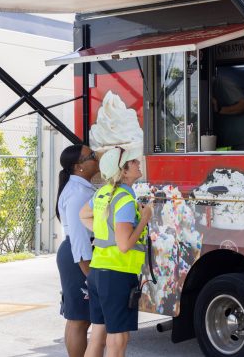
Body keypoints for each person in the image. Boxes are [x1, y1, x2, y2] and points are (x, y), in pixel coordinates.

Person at [80, 146, 152, 357]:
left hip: (98, 272)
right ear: (124, 172)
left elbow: (83, 215)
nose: (138, 163)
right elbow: (124, 245)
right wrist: (145, 218)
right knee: (118, 338)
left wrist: (106, 233)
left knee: (97, 336)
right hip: (117, 274)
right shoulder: (125, 200)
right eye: (133, 161)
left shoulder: (102, 193)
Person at [55, 144, 104, 357]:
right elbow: (79, 238)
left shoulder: (80, 188)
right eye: (90, 156)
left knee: (78, 317)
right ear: (79, 167)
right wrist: (91, 275)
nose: (96, 157)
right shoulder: (78, 193)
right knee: (80, 319)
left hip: (76, 254)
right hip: (79, 256)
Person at [212, 73, 244, 150]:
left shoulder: (222, 83)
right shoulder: (209, 87)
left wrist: (219, 109)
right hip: (227, 141)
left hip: (242, 139)